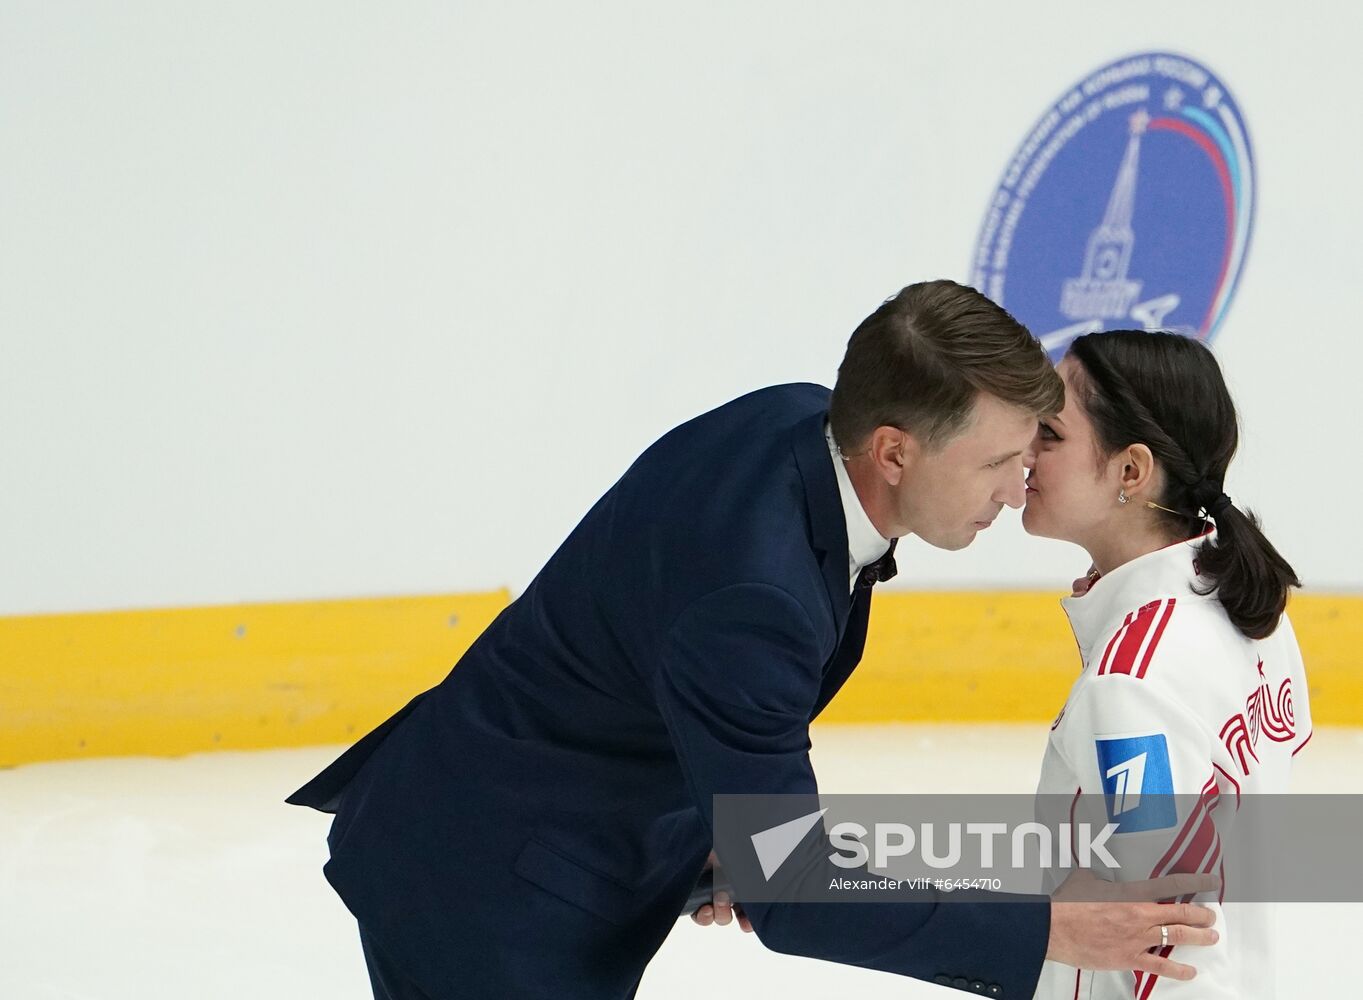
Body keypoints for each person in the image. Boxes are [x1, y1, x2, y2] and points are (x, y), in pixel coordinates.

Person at [287, 283, 1217, 999]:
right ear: (892, 451)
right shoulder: (754, 598)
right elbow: (791, 891)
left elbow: (654, 658)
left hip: (512, 823)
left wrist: (723, 831)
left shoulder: (800, 422)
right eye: (996, 463)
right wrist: (1047, 929)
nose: (1018, 490)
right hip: (495, 902)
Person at [1023, 331, 1312, 998]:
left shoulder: (1131, 683)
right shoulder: (1248, 600)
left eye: (1050, 434)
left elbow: (1161, 925)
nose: (1023, 453)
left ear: (1129, 471)